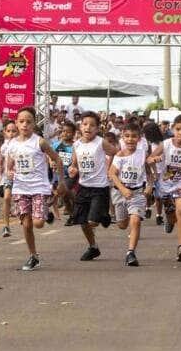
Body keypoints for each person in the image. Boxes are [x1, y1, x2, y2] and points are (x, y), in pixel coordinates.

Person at [6, 107, 63, 271]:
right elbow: (10, 165)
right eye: (21, 121)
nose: (25, 125)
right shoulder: (12, 144)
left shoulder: (40, 142)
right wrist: (9, 173)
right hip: (20, 188)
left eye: (28, 122)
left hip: (39, 187)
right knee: (26, 224)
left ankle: (44, 212)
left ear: (33, 124)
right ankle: (33, 256)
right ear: (16, 123)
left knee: (38, 223)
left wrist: (61, 182)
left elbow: (57, 159)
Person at [68, 112, 118, 261]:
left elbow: (115, 153)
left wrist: (110, 169)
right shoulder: (76, 144)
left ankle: (103, 214)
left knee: (92, 221)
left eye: (92, 125)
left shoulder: (100, 142)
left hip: (99, 187)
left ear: (97, 129)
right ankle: (93, 247)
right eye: (85, 124)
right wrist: (73, 169)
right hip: (84, 186)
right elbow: (74, 164)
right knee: (82, 222)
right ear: (80, 126)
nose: (88, 127)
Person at [148, 114, 181, 261]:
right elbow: (148, 159)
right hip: (166, 186)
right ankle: (170, 220)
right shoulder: (166, 144)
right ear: (173, 129)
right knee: (172, 215)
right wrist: (154, 159)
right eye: (178, 129)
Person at [108, 123, 154, 267]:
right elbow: (112, 174)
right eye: (127, 136)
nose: (130, 140)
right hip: (120, 193)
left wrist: (150, 186)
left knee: (135, 220)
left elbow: (149, 173)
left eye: (134, 136)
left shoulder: (142, 155)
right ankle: (125, 216)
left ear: (139, 139)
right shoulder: (119, 156)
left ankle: (131, 252)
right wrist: (122, 189)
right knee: (122, 224)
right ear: (122, 137)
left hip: (137, 193)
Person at [53, 121, 77, 226]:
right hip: (59, 174)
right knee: (65, 195)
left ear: (73, 133)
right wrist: (51, 162)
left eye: (68, 132)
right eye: (63, 131)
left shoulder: (76, 146)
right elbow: (50, 156)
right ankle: (73, 214)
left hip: (71, 174)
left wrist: (74, 167)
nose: (65, 133)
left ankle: (77, 204)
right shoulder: (56, 145)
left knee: (65, 190)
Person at [0, 121, 18, 237]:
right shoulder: (4, 146)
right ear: (5, 132)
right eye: (9, 131)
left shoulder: (21, 143)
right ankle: (6, 226)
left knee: (19, 200)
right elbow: (2, 159)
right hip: (9, 176)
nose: (11, 133)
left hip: (22, 177)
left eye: (14, 131)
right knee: (6, 198)